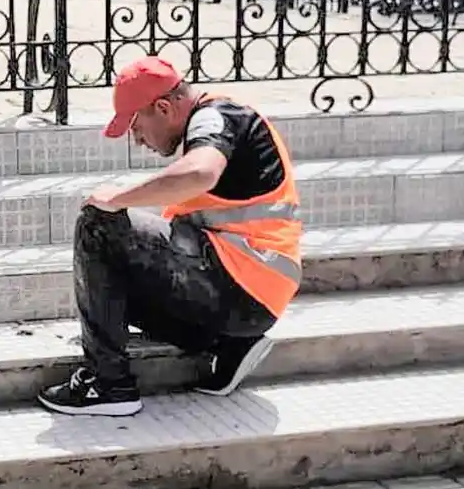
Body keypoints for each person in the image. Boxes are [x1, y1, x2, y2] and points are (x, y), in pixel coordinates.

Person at [37, 56, 303, 417]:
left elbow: (200, 173)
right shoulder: (216, 122)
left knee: (98, 222)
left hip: (241, 285)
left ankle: (109, 384)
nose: (137, 140)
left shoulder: (216, 117)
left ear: (163, 108)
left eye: (136, 126)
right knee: (108, 289)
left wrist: (117, 199)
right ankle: (227, 345)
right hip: (249, 302)